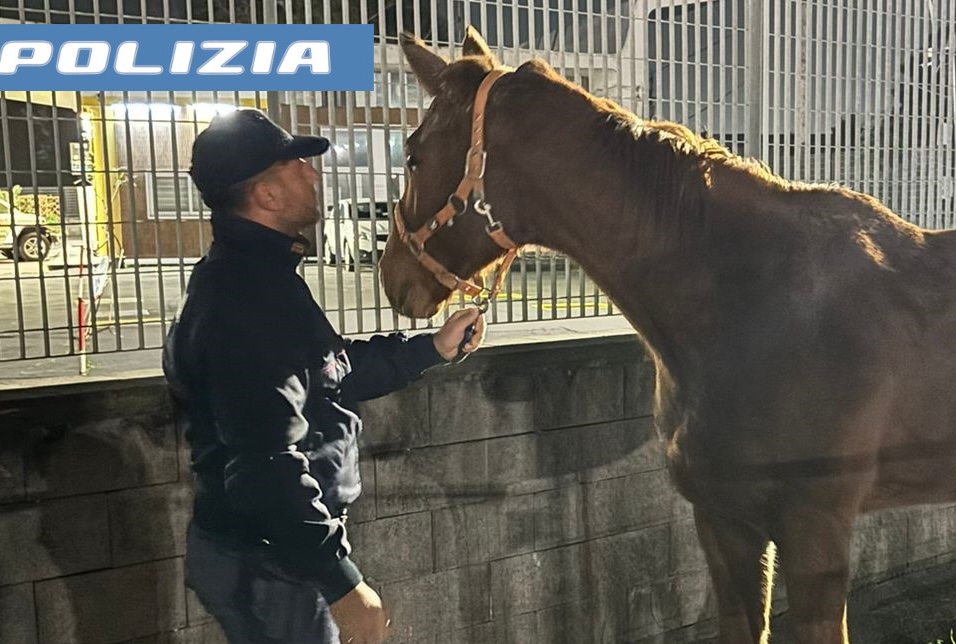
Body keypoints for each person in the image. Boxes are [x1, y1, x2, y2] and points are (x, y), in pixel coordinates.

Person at [161, 108, 483, 644]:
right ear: (265, 196)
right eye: (296, 166)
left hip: (272, 556)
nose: (314, 174)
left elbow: (333, 372)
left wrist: (432, 346)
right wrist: (343, 586)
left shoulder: (259, 280)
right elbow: (264, 465)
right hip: (271, 566)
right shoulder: (247, 299)